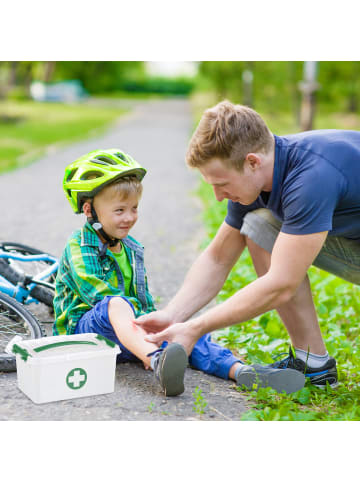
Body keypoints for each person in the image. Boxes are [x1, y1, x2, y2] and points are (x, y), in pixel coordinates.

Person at [135, 100, 360, 389]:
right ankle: (313, 365)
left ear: (252, 161)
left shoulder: (311, 179)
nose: (218, 196)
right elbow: (218, 258)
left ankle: (312, 364)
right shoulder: (266, 169)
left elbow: (281, 283)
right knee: (256, 224)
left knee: (257, 226)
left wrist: (195, 328)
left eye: (221, 184)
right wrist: (171, 316)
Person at [53, 148, 305, 397]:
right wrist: (145, 331)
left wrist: (157, 327)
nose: (129, 218)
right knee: (116, 304)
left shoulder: (130, 247)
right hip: (86, 334)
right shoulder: (80, 244)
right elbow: (97, 294)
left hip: (128, 335)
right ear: (89, 210)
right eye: (120, 210)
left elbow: (141, 299)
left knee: (182, 330)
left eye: (134, 208)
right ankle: (156, 361)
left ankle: (241, 372)